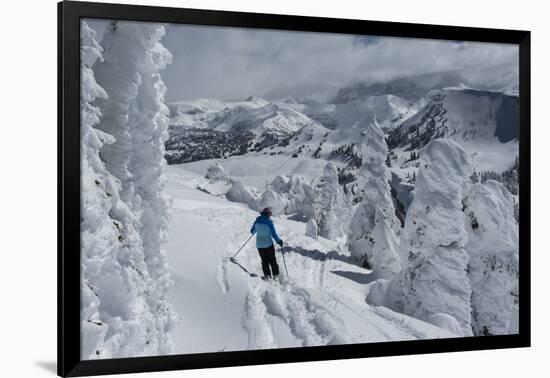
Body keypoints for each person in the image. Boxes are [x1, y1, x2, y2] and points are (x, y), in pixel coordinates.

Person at [250, 207, 284, 280]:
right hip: (268, 244)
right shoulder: (269, 222)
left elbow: (252, 231)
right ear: (268, 214)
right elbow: (273, 234)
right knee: (272, 260)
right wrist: (279, 241)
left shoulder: (257, 221)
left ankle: (267, 276)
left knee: (264, 261)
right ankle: (276, 275)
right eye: (270, 214)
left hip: (259, 245)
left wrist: (258, 229)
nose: (270, 216)